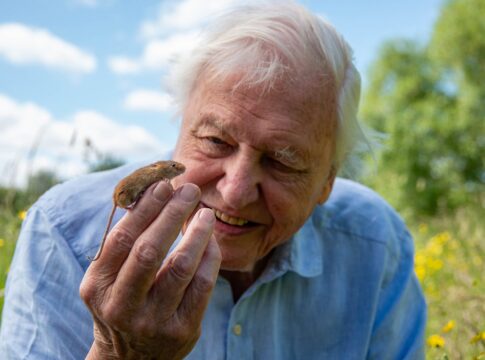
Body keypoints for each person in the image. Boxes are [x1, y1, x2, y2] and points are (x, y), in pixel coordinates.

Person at [0, 2, 426, 359]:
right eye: (215, 141)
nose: (235, 191)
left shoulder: (375, 245)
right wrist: (117, 353)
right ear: (180, 128)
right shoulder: (63, 232)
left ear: (327, 183)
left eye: (282, 161)